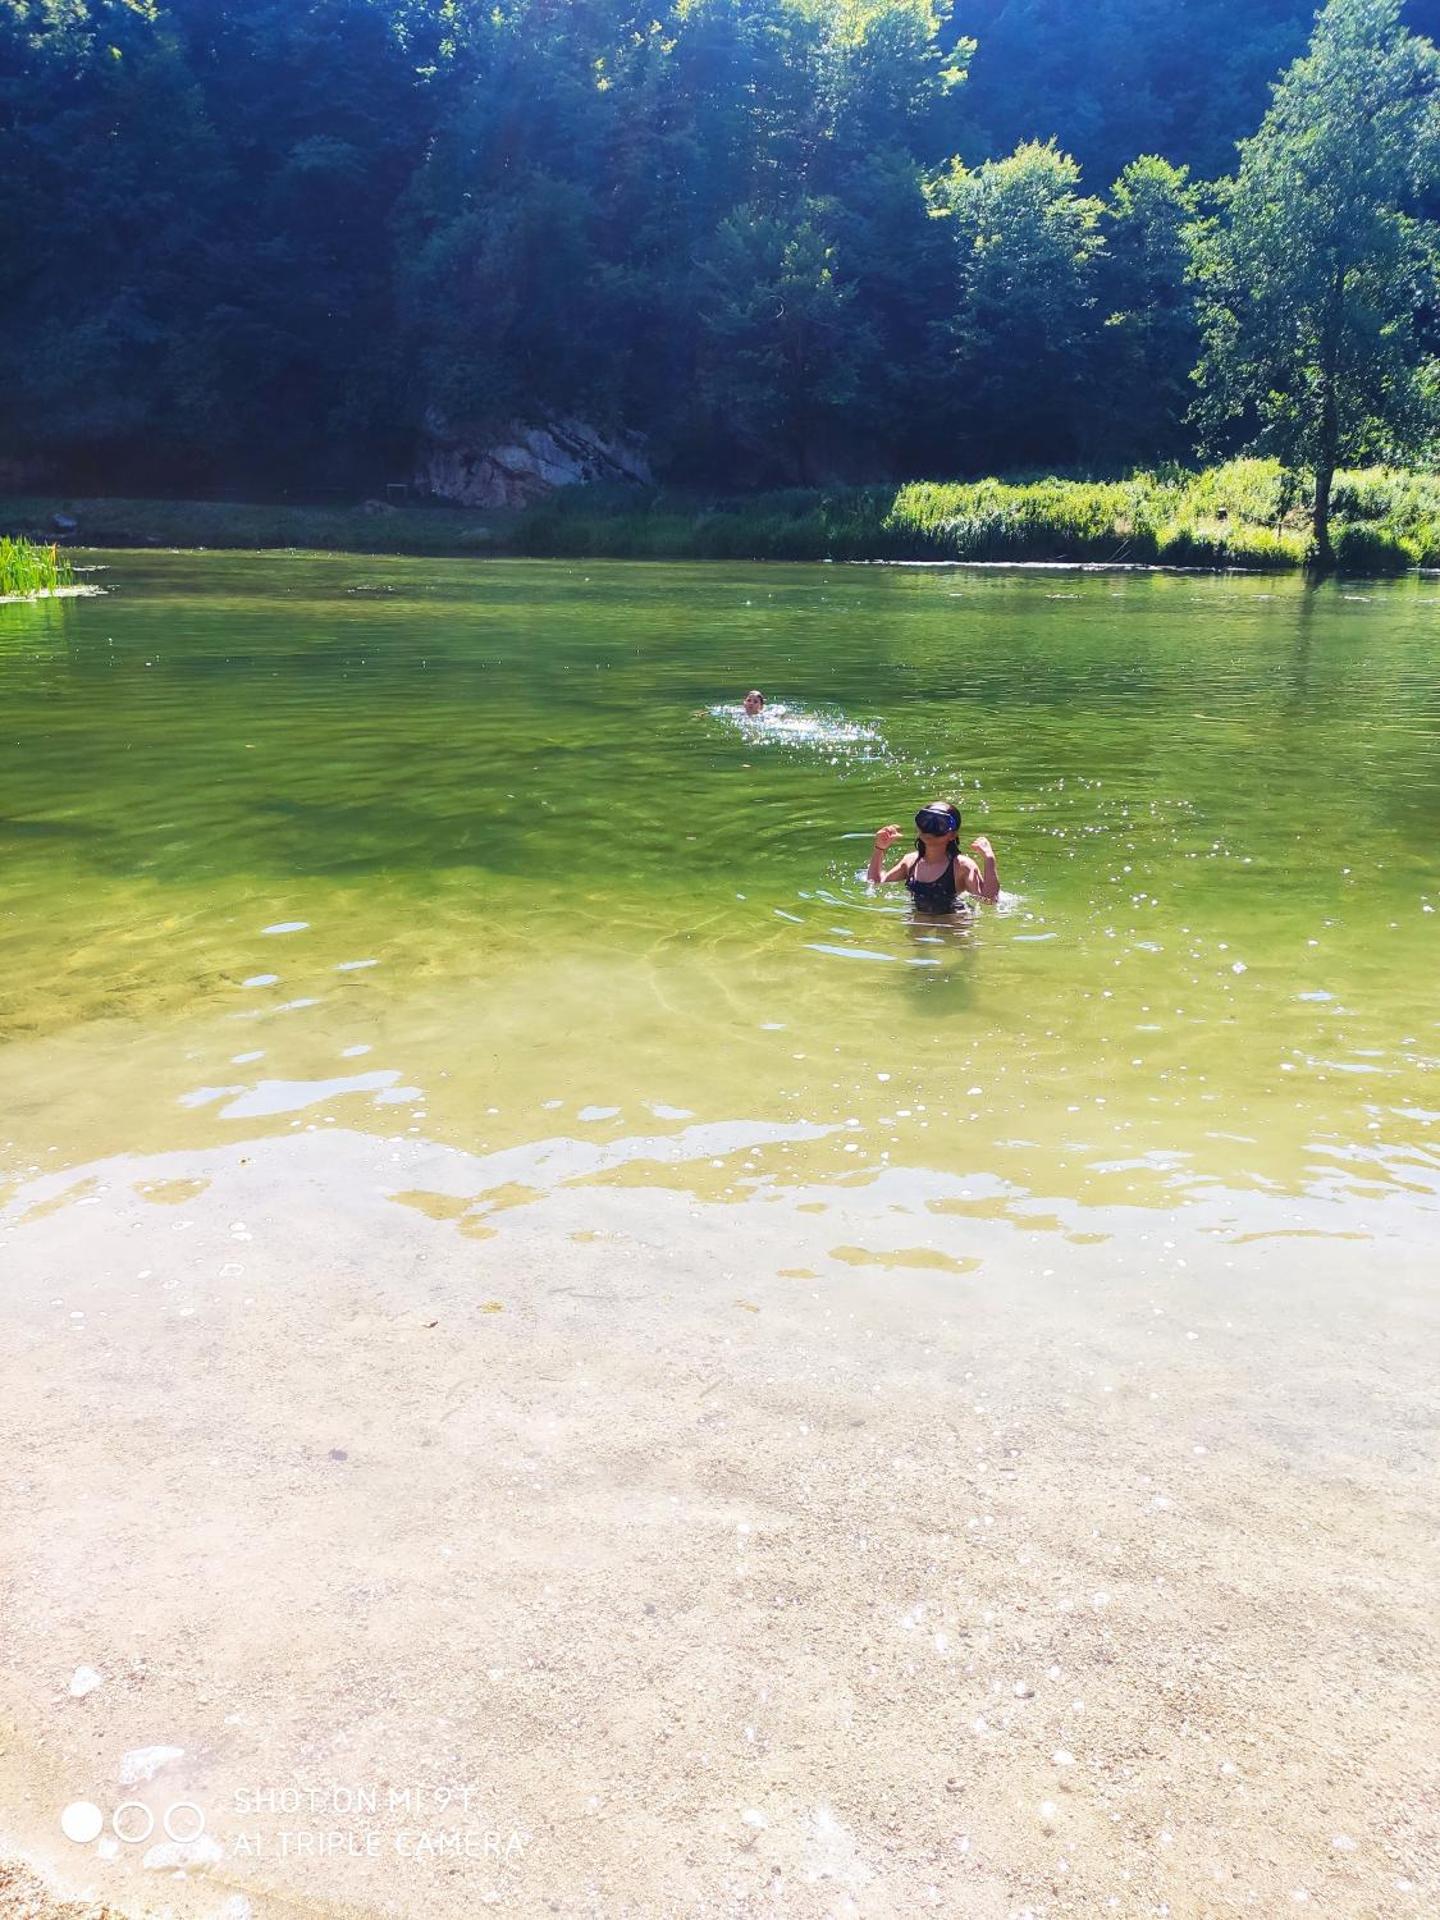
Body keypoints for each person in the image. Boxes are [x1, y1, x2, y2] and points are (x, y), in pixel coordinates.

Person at [867, 799, 999, 910]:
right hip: (918, 918)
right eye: (926, 821)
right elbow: (876, 883)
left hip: (954, 921)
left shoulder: (961, 866)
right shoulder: (911, 861)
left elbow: (989, 900)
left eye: (941, 824)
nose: (931, 828)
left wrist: (989, 857)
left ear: (953, 835)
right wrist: (879, 848)